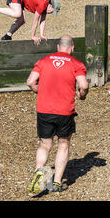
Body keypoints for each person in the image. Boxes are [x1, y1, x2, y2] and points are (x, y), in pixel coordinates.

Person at [27, 35, 89, 194]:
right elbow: (83, 85)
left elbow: (30, 81)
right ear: (72, 48)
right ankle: (56, 183)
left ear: (58, 46)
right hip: (64, 110)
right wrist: (82, 94)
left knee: (45, 144)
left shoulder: (43, 61)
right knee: (63, 144)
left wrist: (38, 91)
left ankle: (39, 169)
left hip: (44, 109)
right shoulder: (76, 64)